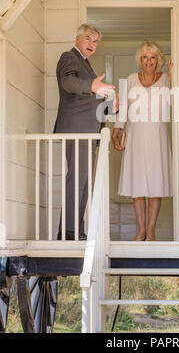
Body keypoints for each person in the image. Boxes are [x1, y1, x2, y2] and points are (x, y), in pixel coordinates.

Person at [54, 23, 117, 240]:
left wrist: (110, 106)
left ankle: (76, 230)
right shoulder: (69, 57)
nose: (92, 44)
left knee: (83, 183)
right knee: (76, 180)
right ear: (78, 38)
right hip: (76, 130)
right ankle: (69, 232)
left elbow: (91, 102)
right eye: (89, 38)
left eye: (96, 41)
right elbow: (68, 82)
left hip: (89, 133)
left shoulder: (87, 65)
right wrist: (93, 86)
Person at [112, 41, 173, 241]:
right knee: (137, 183)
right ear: (140, 59)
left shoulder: (165, 79)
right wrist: (118, 129)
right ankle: (140, 231)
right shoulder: (130, 79)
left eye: (153, 57)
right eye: (145, 57)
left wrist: (172, 74)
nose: (149, 61)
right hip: (136, 135)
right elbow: (123, 106)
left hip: (157, 136)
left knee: (156, 184)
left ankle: (151, 231)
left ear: (159, 61)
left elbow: (174, 100)